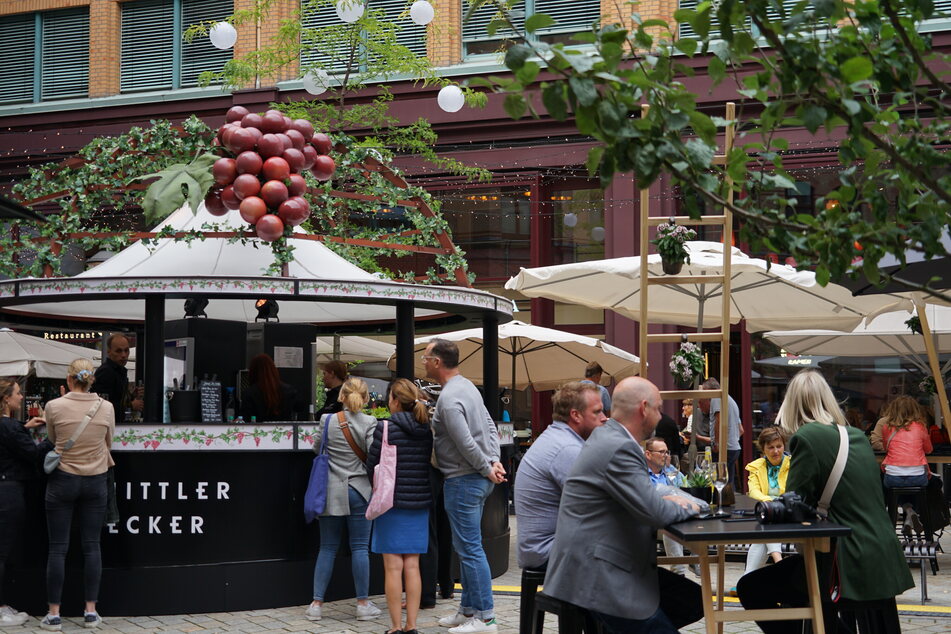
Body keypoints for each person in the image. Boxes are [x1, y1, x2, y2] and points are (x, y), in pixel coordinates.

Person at [737, 369, 914, 633]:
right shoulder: (856, 437)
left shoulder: (806, 438)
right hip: (882, 555)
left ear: (792, 403)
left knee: (751, 587)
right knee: (797, 588)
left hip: (842, 560)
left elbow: (793, 503)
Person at [544, 377, 703, 633]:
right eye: (659, 408)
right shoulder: (619, 447)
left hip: (602, 560)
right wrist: (690, 507)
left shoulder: (611, 437)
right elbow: (656, 512)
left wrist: (663, 499)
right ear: (644, 408)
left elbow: (645, 497)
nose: (660, 416)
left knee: (692, 599)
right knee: (679, 608)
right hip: (597, 572)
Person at [424, 338, 505, 634]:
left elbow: (465, 441)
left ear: (437, 361)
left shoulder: (447, 398)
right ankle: (468, 610)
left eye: (426, 357)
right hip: (476, 478)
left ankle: (485, 618)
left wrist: (487, 467)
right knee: (468, 547)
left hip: (463, 479)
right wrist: (494, 460)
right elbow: (488, 424)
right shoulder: (468, 386)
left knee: (470, 550)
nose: (423, 361)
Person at [42, 359, 116, 631]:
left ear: (70, 379)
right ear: (91, 379)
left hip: (63, 479)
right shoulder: (107, 407)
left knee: (57, 548)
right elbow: (109, 443)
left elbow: (52, 439)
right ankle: (90, 612)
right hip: (95, 480)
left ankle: (53, 615)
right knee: (91, 546)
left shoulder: (53, 406)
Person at [306, 377, 381, 623]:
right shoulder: (370, 422)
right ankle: (362, 604)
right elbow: (373, 456)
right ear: (366, 397)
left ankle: (316, 604)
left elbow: (317, 448)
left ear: (341, 397)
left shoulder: (327, 420)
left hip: (330, 491)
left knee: (327, 547)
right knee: (360, 547)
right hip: (359, 489)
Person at [514, 381, 605, 571]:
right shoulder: (567, 448)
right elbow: (599, 504)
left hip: (544, 547)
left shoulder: (558, 437)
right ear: (576, 415)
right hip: (547, 552)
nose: (604, 418)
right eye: (597, 412)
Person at [366, 378, 434, 634]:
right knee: (413, 565)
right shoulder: (425, 429)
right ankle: (412, 626)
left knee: (393, 567)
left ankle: (395, 627)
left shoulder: (384, 429)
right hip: (419, 503)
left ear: (394, 400)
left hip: (390, 503)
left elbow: (372, 465)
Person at [0, 378, 45, 628]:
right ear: (6, 399)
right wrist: (57, 438)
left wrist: (24, 427)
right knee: (3, 551)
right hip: (9, 491)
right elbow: (34, 454)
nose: (20, 397)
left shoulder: (9, 426)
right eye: (17, 393)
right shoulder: (10, 427)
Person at [734, 426, 790, 594]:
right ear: (763, 449)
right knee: (765, 531)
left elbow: (793, 491)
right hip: (768, 514)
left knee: (765, 528)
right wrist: (771, 502)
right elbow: (754, 492)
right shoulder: (756, 467)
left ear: (784, 446)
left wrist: (775, 503)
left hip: (788, 513)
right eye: (770, 447)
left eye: (779, 446)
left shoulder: (793, 464)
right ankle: (776, 565)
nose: (775, 451)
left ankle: (749, 578)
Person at [879, 396, 933, 537]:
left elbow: (886, 447)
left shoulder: (887, 427)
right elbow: (929, 450)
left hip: (893, 476)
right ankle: (911, 514)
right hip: (918, 476)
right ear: (915, 410)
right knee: (918, 487)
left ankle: (908, 512)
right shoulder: (921, 427)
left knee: (893, 487)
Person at [644, 437, 690, 578]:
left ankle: (697, 561)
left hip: (679, 517)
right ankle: (679, 573)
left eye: (667, 452)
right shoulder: (640, 474)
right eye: (661, 452)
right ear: (648, 454)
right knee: (670, 528)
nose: (666, 456)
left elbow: (687, 489)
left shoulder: (672, 471)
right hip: (652, 522)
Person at [698, 377, 742, 489]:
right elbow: (741, 430)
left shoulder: (717, 398)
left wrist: (717, 443)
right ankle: (730, 502)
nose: (702, 394)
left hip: (725, 448)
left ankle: (721, 503)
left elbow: (719, 419)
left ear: (710, 390)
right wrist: (732, 438)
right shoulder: (730, 400)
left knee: (720, 481)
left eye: (704, 390)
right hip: (734, 447)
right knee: (728, 482)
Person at [91, 333, 141, 425]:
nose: (123, 355)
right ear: (109, 352)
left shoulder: (118, 371)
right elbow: (101, 405)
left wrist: (132, 395)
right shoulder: (106, 372)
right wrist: (130, 405)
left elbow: (117, 398)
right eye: (118, 351)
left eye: (126, 351)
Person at [240, 353, 298, 422]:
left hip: (258, 431)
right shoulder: (289, 390)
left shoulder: (249, 393)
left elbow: (246, 419)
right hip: (284, 430)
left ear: (253, 371)